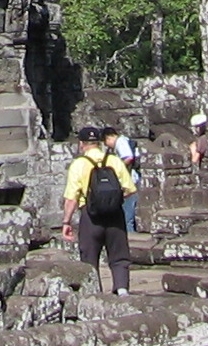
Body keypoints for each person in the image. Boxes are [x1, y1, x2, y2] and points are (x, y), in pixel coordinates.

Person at [61, 126, 136, 297]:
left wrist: (66, 221)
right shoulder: (114, 160)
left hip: (90, 215)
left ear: (82, 144)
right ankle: (122, 289)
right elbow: (130, 189)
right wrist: (113, 200)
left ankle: (92, 293)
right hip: (115, 215)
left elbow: (71, 198)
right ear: (99, 143)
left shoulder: (79, 164)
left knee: (89, 257)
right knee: (119, 255)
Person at [108, 126, 141, 233]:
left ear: (109, 138)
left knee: (127, 216)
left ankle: (130, 237)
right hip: (132, 181)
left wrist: (117, 169)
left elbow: (128, 157)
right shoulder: (125, 140)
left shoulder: (120, 142)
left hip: (130, 182)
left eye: (106, 142)